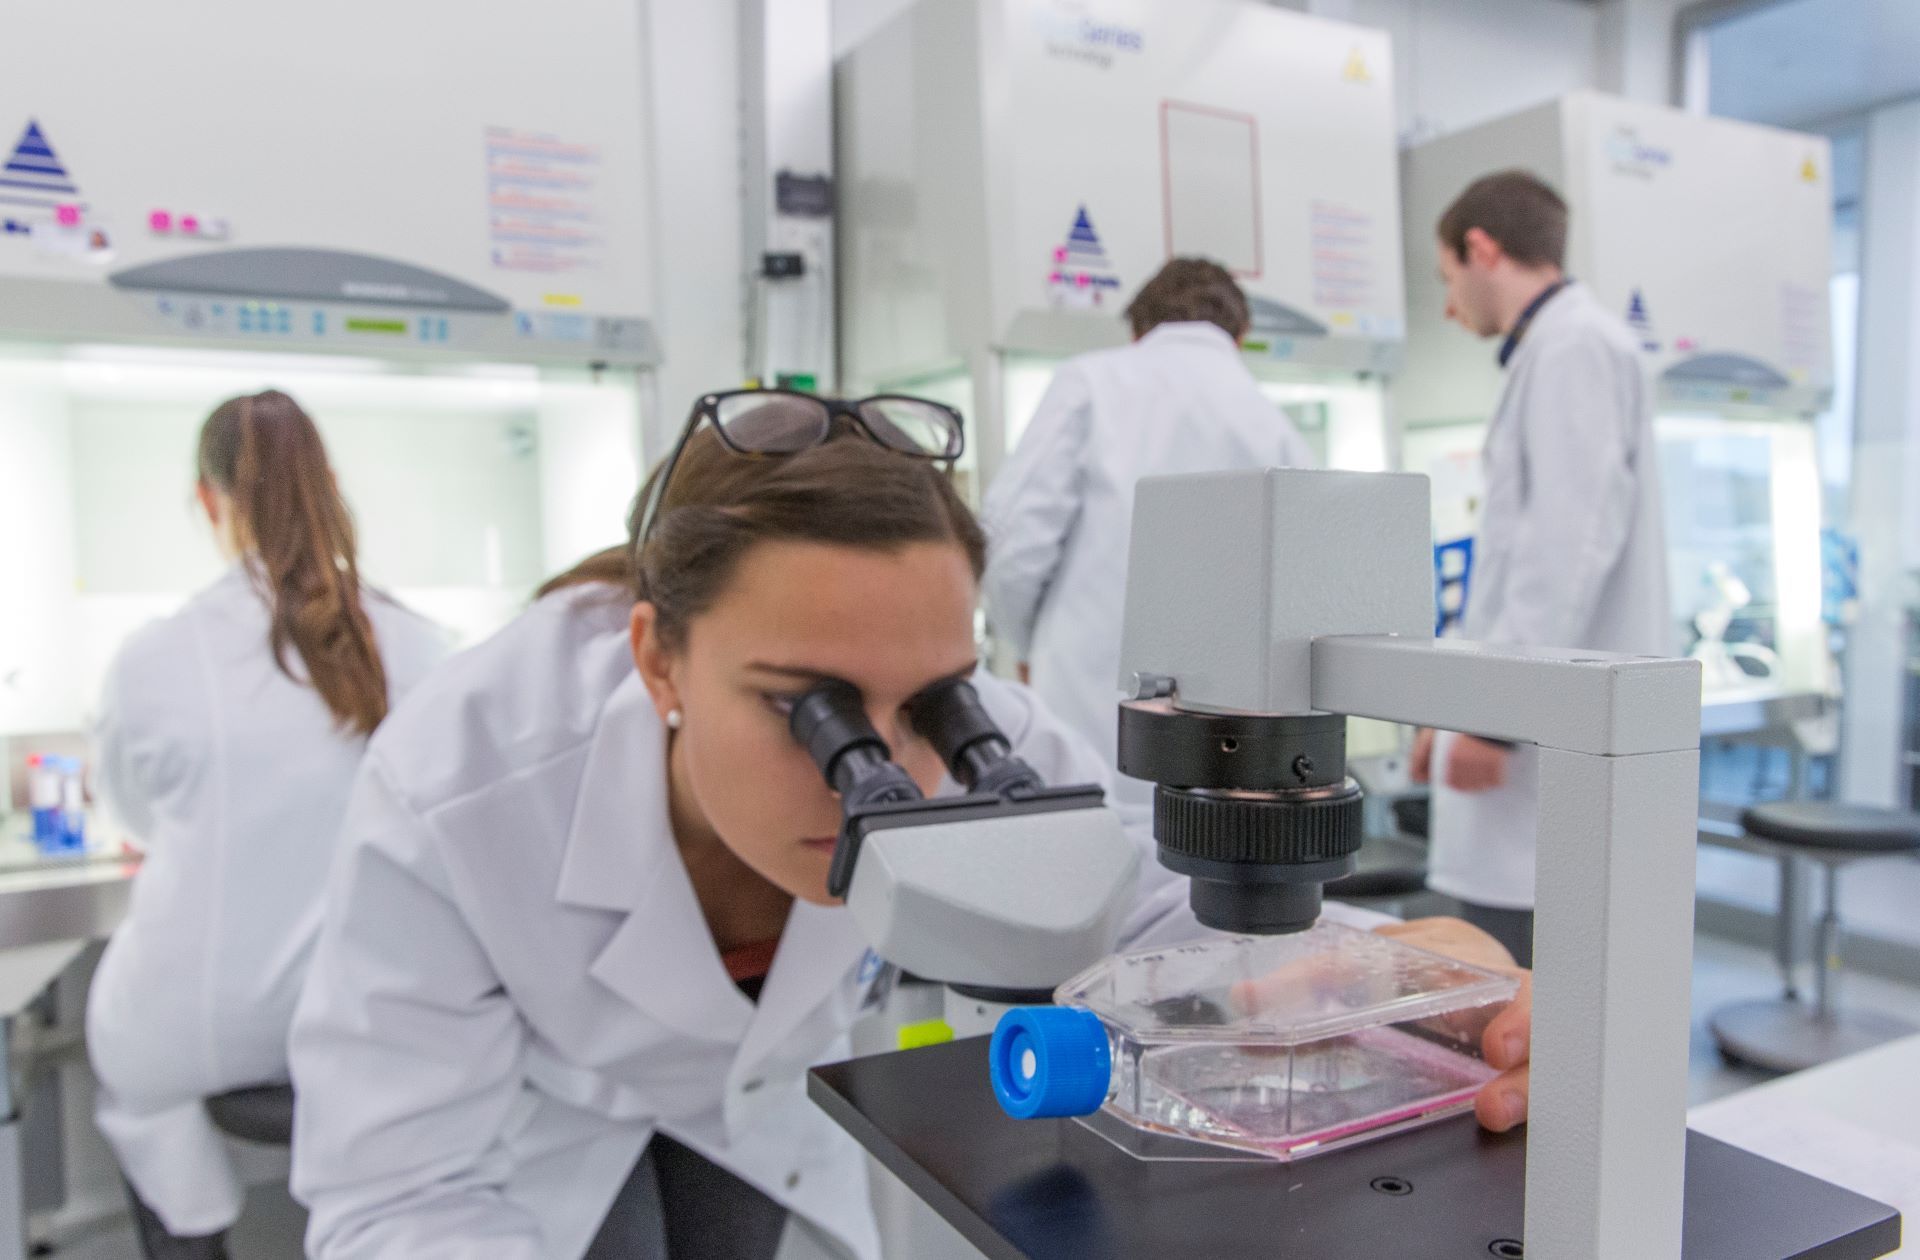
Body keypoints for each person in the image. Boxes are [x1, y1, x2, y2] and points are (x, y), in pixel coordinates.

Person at [286, 388, 1534, 1259]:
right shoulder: (455, 788)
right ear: (657, 660)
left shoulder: (987, 746)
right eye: (805, 709)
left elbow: (1156, 923)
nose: (874, 770)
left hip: (782, 1127)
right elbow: (398, 1191)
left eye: (930, 702)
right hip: (530, 1139)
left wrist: (1412, 977)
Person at [88, 390, 448, 1255]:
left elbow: (129, 813)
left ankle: (195, 1234)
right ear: (329, 487)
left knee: (135, 1083)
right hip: (380, 1023)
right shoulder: (421, 644)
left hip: (201, 1035)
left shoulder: (157, 655)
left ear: (209, 502)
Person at [1412, 170, 1671, 966]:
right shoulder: (1560, 349)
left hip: (1543, 749)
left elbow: (1567, 544)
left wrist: (1496, 719)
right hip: (1534, 728)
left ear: (1481, 249)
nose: (1450, 304)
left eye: (1447, 275)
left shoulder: (1574, 348)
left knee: (1526, 999)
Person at [981, 258, 1315, 812]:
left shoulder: (1091, 381)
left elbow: (1011, 540)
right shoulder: (1274, 425)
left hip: (1087, 716)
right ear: (1242, 335)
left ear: (1138, 330)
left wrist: (1023, 643)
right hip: (1224, 758)